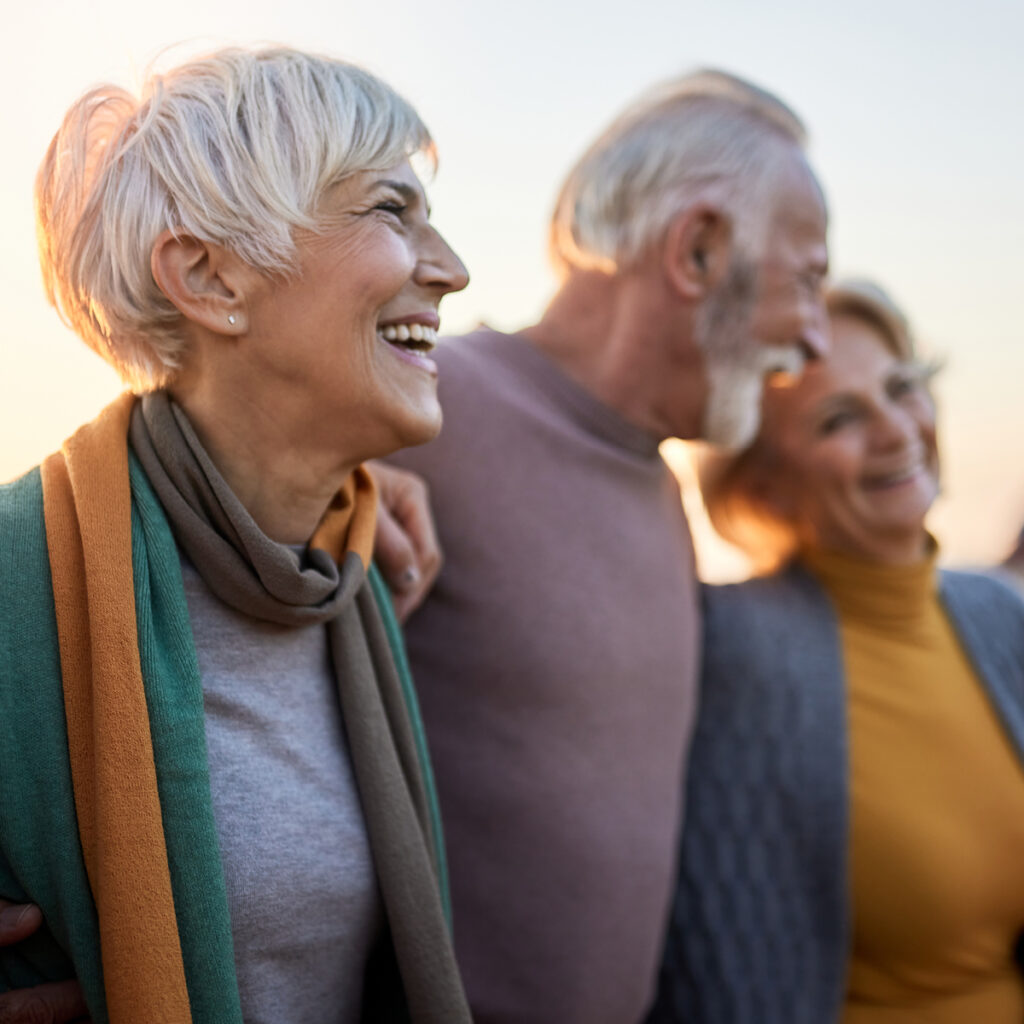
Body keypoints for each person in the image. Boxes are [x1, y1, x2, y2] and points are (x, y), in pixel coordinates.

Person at [0, 47, 472, 1024]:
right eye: (391, 210)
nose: (453, 270)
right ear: (210, 276)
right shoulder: (20, 586)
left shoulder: (352, 568)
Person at [384, 69, 830, 1023]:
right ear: (699, 249)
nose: (816, 337)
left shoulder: (667, 492)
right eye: (809, 280)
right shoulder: (424, 413)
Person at [646, 281, 1024, 1023]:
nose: (897, 430)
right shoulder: (729, 647)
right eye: (839, 419)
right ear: (766, 493)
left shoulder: (997, 615)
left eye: (901, 387)